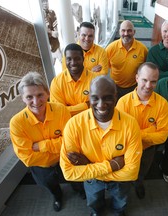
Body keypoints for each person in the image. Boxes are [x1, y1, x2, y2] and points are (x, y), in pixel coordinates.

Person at [60, 75, 142, 216]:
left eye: (108, 98)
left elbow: (132, 172)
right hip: (99, 179)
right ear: (89, 97)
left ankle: (119, 211)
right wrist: (113, 165)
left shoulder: (130, 124)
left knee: (120, 200)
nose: (101, 105)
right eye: (95, 98)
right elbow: (68, 173)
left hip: (107, 179)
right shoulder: (73, 125)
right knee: (94, 202)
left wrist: (89, 166)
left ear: (116, 96)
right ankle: (96, 211)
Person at [9, 72, 71, 212]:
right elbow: (28, 158)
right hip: (41, 166)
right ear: (22, 99)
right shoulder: (16, 123)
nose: (36, 102)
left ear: (48, 93)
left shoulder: (61, 110)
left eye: (40, 95)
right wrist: (56, 146)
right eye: (29, 97)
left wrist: (42, 146)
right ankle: (57, 197)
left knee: (75, 181)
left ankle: (80, 191)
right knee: (50, 185)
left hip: (66, 158)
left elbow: (70, 142)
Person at [116, 62, 168, 199]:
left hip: (147, 150)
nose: (148, 86)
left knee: (142, 172)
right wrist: (151, 130)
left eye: (153, 81)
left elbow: (163, 136)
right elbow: (119, 133)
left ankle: (138, 183)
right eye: (145, 80)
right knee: (124, 174)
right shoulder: (123, 102)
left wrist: (135, 133)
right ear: (136, 78)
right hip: (126, 150)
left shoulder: (162, 103)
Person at [50, 43, 97, 116]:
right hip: (67, 124)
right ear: (65, 60)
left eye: (77, 59)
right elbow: (58, 111)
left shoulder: (95, 80)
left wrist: (68, 108)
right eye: (69, 59)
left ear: (83, 59)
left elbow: (97, 106)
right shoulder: (56, 82)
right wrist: (86, 105)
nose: (73, 63)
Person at [106, 20, 148, 99]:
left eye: (129, 31)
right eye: (123, 30)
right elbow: (104, 68)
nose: (126, 34)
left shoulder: (143, 49)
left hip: (134, 88)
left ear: (134, 32)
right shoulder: (110, 48)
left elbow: (146, 70)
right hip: (114, 87)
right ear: (119, 32)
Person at [42, 0, 62, 64]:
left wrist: (56, 32)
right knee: (51, 63)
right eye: (43, 1)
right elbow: (41, 28)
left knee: (61, 59)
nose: (45, 3)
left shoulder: (52, 12)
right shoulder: (40, 14)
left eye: (46, 1)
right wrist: (51, 33)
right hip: (46, 42)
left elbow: (55, 28)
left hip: (54, 42)